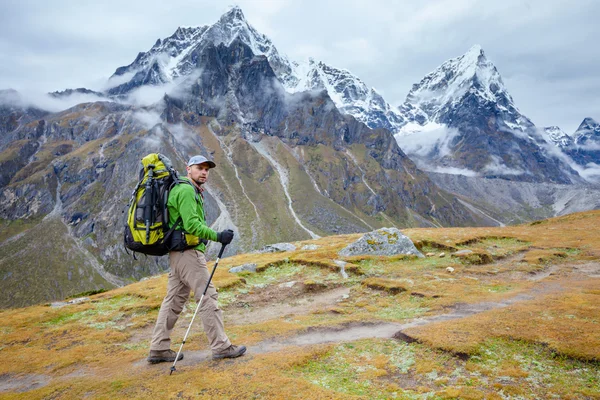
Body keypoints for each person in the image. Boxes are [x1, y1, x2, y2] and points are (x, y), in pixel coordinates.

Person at [147, 155, 246, 364]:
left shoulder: (186, 189)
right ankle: (221, 346)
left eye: (206, 170)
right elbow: (191, 225)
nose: (204, 172)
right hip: (189, 254)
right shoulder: (185, 190)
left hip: (178, 255)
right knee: (207, 296)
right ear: (188, 169)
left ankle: (158, 348)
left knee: (173, 301)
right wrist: (218, 236)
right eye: (199, 168)